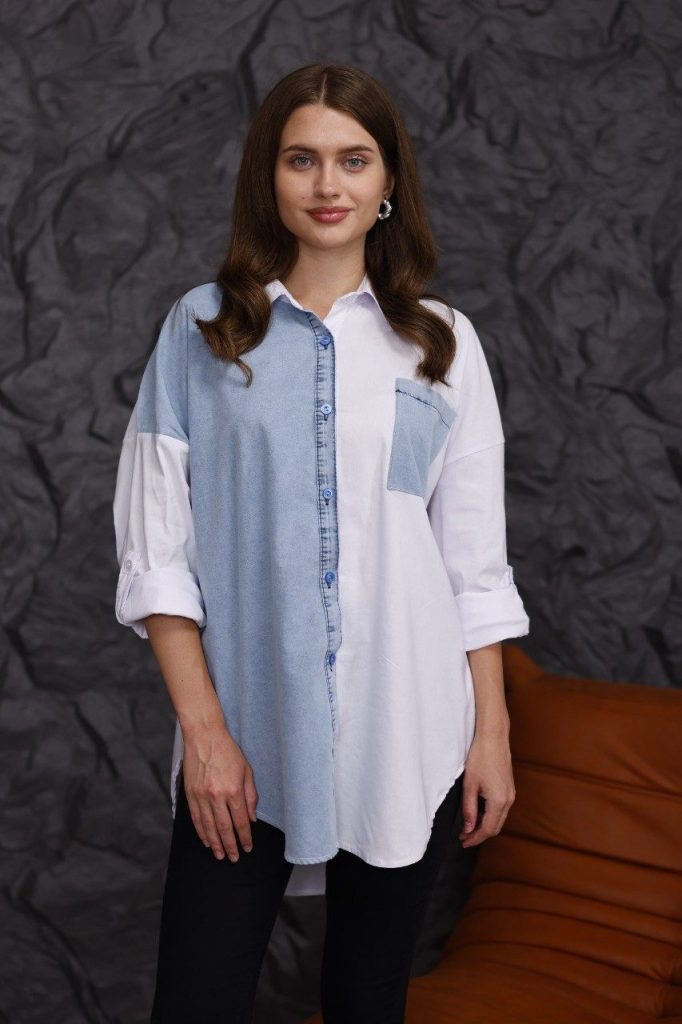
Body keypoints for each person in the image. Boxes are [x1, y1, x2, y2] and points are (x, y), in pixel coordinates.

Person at [113, 61, 530, 1024]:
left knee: (365, 1001)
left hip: (408, 726)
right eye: (302, 159)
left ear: (388, 183)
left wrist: (492, 735)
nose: (327, 184)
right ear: (270, 176)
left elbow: (472, 565)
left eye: (354, 159)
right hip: (245, 728)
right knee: (197, 1000)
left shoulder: (443, 346)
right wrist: (205, 736)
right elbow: (157, 555)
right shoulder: (205, 331)